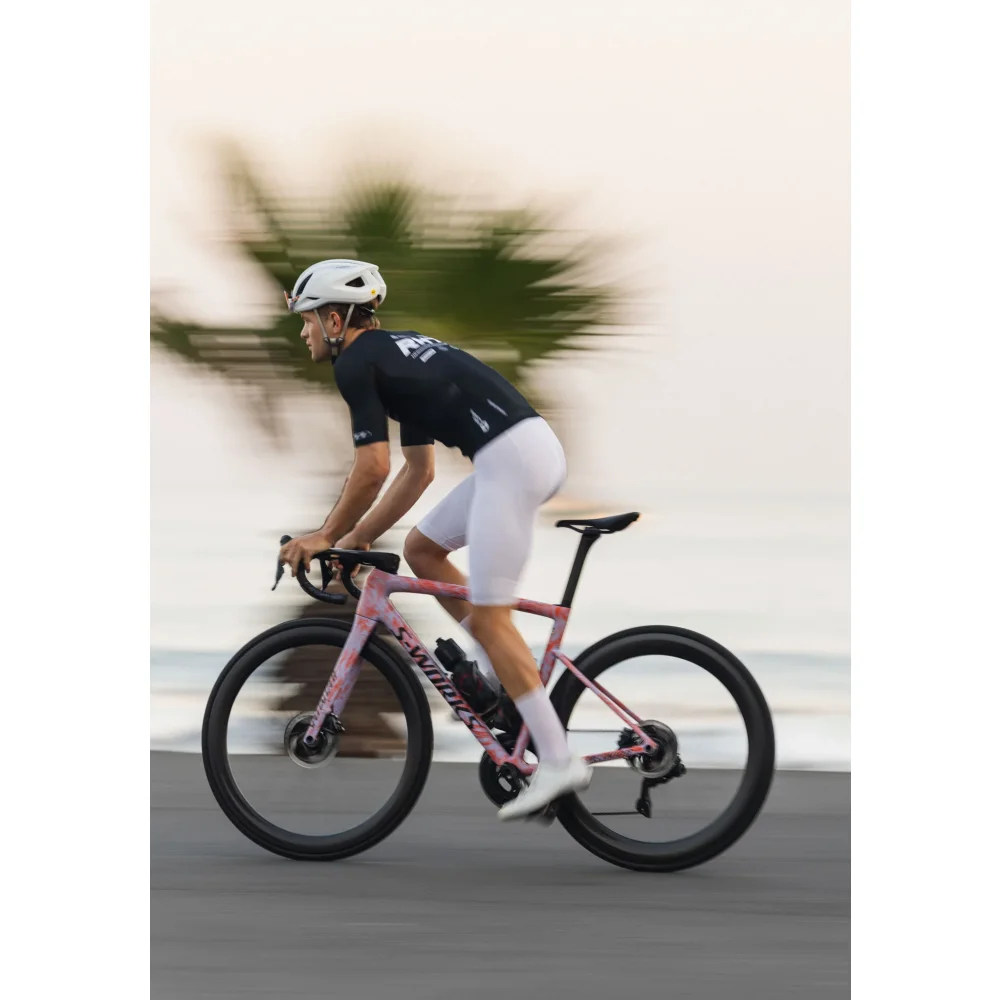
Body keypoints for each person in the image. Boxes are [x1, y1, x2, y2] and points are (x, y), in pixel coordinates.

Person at [278, 258, 591, 820]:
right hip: (519, 452)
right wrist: (358, 537)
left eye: (306, 320)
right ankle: (499, 671)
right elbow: (417, 472)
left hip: (512, 461)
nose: (304, 333)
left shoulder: (357, 365)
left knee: (491, 620)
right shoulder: (394, 355)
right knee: (422, 551)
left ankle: (558, 760)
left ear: (333, 319)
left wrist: (325, 535)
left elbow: (371, 468)